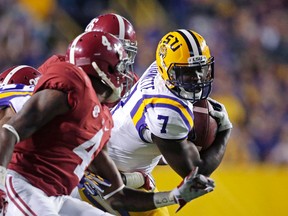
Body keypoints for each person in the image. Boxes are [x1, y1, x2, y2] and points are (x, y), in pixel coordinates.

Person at [0, 31, 214, 215]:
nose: (125, 74)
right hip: (22, 184)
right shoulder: (71, 85)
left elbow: (118, 196)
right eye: (119, 67)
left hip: (57, 195)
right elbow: (8, 131)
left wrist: (175, 196)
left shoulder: (100, 118)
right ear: (99, 69)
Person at [80, 29, 232, 215]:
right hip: (106, 176)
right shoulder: (167, 112)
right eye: (188, 72)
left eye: (201, 69)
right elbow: (195, 174)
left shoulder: (160, 72)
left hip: (123, 167)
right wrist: (225, 131)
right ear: (167, 70)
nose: (197, 78)